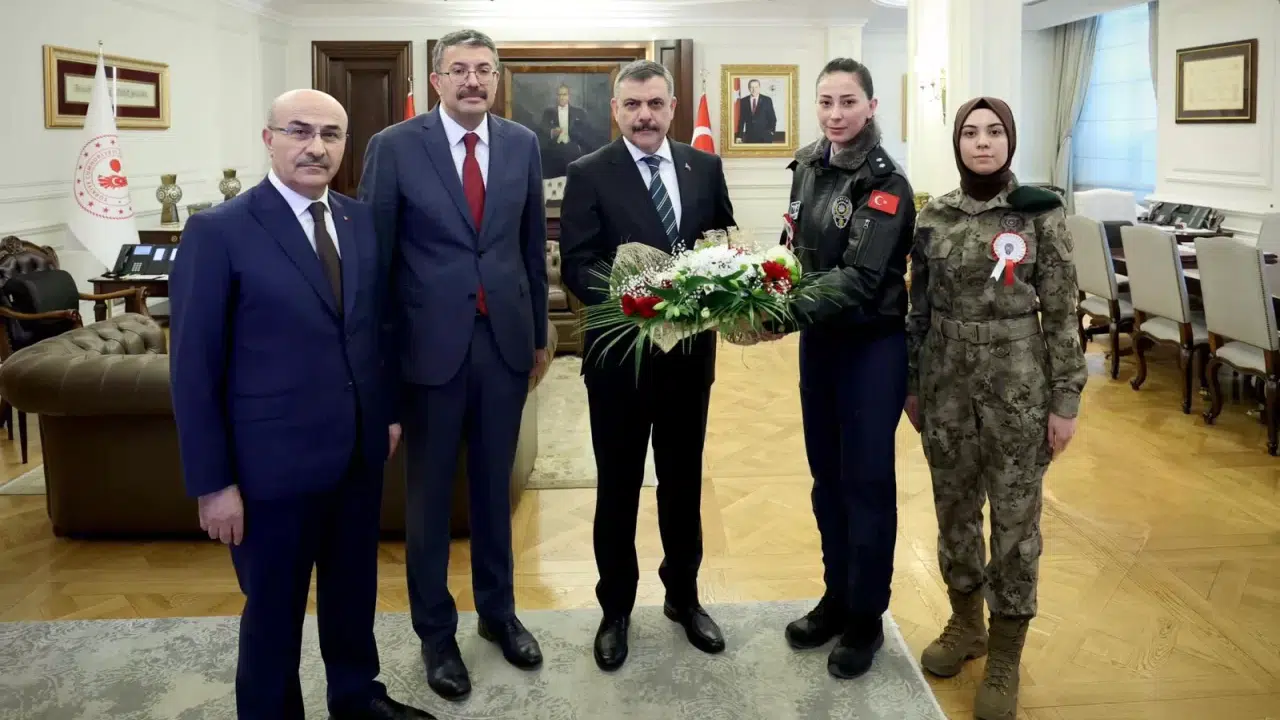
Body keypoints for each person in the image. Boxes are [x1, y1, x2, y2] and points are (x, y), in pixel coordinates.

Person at [169, 89, 434, 720]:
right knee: (273, 611)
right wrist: (213, 484)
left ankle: (356, 696)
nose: (316, 147)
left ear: (346, 145)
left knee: (352, 594)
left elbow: (376, 330)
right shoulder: (219, 230)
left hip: (357, 453)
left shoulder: (358, 219)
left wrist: (388, 412)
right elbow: (193, 369)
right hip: (269, 469)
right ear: (269, 139)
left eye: (332, 135)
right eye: (299, 131)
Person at [358, 29, 549, 702]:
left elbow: (531, 247)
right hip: (426, 349)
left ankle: (499, 615)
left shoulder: (523, 144)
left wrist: (539, 335)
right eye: (459, 70)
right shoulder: (394, 147)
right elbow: (374, 261)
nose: (473, 81)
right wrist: (377, 359)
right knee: (431, 498)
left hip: (503, 344)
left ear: (497, 81)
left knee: (495, 491)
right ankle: (436, 635)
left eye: (484, 71)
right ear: (435, 79)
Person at [904, 97, 1086, 720]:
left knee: (1014, 524)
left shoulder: (1042, 215)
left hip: (1018, 390)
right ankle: (966, 624)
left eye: (995, 132)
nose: (983, 143)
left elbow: (1063, 314)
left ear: (1012, 140)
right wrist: (913, 385)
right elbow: (918, 311)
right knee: (953, 509)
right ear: (956, 142)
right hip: (946, 383)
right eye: (971, 133)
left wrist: (1065, 400)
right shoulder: (933, 217)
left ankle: (1006, 647)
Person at [557, 59, 737, 672]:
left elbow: (722, 242)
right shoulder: (588, 173)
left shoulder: (704, 166)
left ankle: (684, 599)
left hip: (690, 360)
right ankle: (616, 610)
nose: (644, 115)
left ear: (672, 105)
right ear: (615, 110)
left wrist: (731, 274)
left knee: (684, 484)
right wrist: (632, 293)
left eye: (655, 104)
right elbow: (574, 264)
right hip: (619, 364)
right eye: (632, 105)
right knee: (618, 488)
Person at [756, 58, 916, 680]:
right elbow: (793, 245)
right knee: (827, 480)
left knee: (867, 485)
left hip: (871, 350)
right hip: (820, 344)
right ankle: (836, 596)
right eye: (826, 102)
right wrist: (761, 288)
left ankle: (867, 618)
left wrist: (784, 313)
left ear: (871, 106)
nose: (835, 113)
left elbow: (861, 276)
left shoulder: (886, 183)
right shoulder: (806, 166)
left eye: (847, 102)